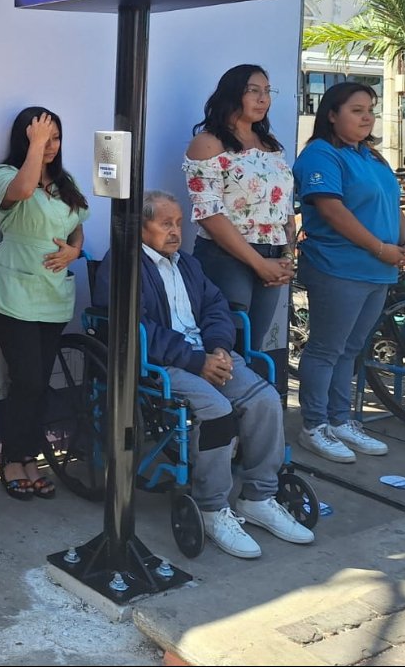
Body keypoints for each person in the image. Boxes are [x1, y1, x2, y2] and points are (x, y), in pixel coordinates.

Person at [92, 190, 314, 559]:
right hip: (163, 363)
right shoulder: (123, 265)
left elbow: (216, 307)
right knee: (217, 412)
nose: (175, 231)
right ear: (140, 226)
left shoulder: (188, 264)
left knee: (264, 400)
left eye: (178, 223)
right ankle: (212, 508)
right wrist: (196, 361)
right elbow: (136, 327)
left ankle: (259, 496)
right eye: (165, 224)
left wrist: (219, 348)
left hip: (206, 355)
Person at [292, 82, 405, 463]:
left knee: (351, 349)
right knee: (327, 349)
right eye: (357, 110)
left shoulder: (372, 157)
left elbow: (391, 204)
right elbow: (331, 210)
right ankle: (314, 426)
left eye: (370, 110)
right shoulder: (321, 155)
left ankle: (339, 420)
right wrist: (381, 248)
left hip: (377, 271)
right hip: (338, 268)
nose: (367, 117)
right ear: (332, 113)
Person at [0, 107, 89, 500]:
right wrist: (36, 145)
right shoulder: (5, 175)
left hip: (53, 294)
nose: (50, 146)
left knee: (40, 383)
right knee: (25, 380)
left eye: (55, 138)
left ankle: (30, 458)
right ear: (24, 140)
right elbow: (24, 192)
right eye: (42, 138)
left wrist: (74, 253)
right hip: (13, 294)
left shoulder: (66, 183)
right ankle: (12, 459)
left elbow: (77, 226)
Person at [183, 65, 295, 365]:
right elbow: (208, 213)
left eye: (267, 91)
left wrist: (287, 254)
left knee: (254, 348)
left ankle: (252, 410)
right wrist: (259, 263)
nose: (263, 99)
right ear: (232, 94)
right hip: (227, 256)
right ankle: (222, 412)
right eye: (253, 91)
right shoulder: (208, 143)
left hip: (272, 253)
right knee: (228, 347)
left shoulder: (270, 144)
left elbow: (284, 204)